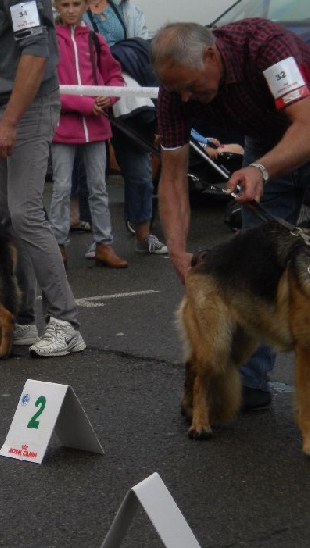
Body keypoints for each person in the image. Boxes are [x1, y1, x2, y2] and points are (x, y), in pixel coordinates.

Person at [151, 20, 310, 410]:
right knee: (252, 265)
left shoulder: (267, 48)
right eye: (176, 90)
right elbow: (172, 177)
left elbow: (307, 124)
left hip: (303, 124)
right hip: (269, 138)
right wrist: (176, 249)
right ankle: (250, 384)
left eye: (190, 86)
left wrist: (261, 169)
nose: (185, 98)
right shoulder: (175, 91)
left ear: (210, 55)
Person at [0, 0, 85, 358]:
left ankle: (66, 322)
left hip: (26, 106)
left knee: (25, 213)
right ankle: (20, 320)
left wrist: (10, 122)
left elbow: (37, 48)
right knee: (4, 217)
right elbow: (9, 28)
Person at [84, 0, 168, 257]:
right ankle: (99, 241)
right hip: (88, 99)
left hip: (129, 101)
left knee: (140, 171)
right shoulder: (71, 8)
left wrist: (119, 60)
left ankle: (143, 235)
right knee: (92, 178)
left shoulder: (126, 9)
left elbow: (144, 47)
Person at [51, 0, 127, 268]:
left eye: (76, 4)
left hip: (95, 126)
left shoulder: (96, 40)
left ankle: (104, 244)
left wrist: (110, 97)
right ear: (56, 7)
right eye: (65, 4)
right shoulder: (50, 40)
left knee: (98, 188)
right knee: (61, 187)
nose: (71, 10)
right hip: (64, 127)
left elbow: (115, 78)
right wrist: (84, 104)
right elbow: (48, 86)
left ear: (85, 6)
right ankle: (57, 245)